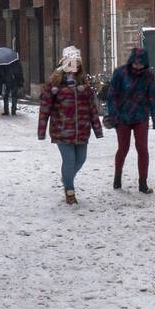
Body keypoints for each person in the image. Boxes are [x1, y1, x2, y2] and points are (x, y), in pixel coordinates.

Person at [37, 46, 102, 205]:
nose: (73, 66)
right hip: (62, 130)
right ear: (64, 63)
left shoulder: (84, 84)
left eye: (76, 63)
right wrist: (42, 130)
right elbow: (45, 107)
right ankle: (70, 191)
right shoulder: (55, 83)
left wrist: (97, 129)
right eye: (70, 62)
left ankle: (66, 178)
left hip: (82, 130)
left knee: (81, 159)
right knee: (69, 160)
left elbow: (92, 108)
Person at [106, 46, 155, 194]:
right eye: (135, 63)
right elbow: (111, 96)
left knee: (142, 148)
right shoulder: (120, 73)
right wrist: (113, 115)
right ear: (131, 61)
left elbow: (152, 96)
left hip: (141, 116)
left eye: (141, 63)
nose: (138, 66)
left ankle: (143, 183)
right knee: (123, 148)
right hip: (122, 117)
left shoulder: (149, 76)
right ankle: (117, 176)